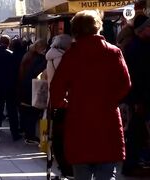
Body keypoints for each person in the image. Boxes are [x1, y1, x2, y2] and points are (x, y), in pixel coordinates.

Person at [50, 10, 131, 180]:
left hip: (79, 120)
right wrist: (110, 100)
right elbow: (125, 84)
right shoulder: (113, 52)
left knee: (82, 170)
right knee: (107, 170)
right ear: (98, 27)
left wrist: (63, 103)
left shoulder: (72, 55)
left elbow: (56, 88)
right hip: (107, 119)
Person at [122, 14, 150, 176]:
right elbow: (137, 76)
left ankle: (132, 164)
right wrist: (138, 100)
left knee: (136, 132)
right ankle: (131, 164)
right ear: (141, 30)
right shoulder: (136, 48)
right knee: (136, 132)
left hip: (139, 97)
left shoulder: (137, 45)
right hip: (140, 98)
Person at [45, 34, 73, 177]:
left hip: (54, 99)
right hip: (63, 101)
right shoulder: (61, 58)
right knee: (61, 135)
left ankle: (62, 164)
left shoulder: (51, 57)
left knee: (56, 134)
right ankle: (66, 165)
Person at [0, 35, 22, 142]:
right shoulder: (12, 56)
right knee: (12, 111)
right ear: (8, 43)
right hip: (9, 87)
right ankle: (15, 133)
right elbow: (16, 72)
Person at [18, 39, 47, 145]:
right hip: (33, 87)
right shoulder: (40, 58)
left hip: (24, 86)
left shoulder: (28, 55)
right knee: (32, 112)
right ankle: (30, 136)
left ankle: (27, 133)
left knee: (26, 111)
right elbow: (36, 72)